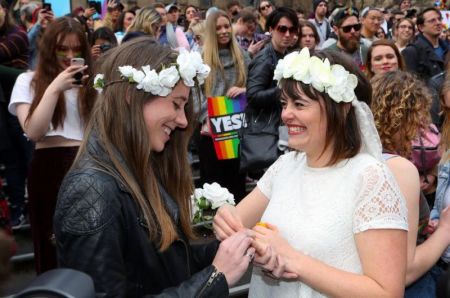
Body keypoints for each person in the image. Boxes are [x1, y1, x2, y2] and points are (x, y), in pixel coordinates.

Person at [54, 36, 254, 297]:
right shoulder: (91, 190)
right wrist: (215, 278)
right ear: (130, 96)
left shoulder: (136, 166)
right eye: (175, 104)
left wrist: (232, 250)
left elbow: (167, 259)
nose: (183, 121)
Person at [213, 48, 408, 297]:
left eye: (299, 104)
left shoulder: (370, 178)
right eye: (284, 104)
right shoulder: (285, 166)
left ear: (342, 108)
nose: (285, 114)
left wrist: (292, 259)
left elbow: (387, 292)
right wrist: (225, 219)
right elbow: (237, 223)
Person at [8, 17, 95, 274]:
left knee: (93, 244)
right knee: (50, 245)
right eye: (62, 49)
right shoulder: (28, 81)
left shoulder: (93, 84)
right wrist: (54, 88)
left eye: (76, 49)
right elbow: (33, 130)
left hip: (88, 164)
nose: (69, 56)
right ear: (49, 49)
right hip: (48, 167)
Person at [371, 71, 450, 298]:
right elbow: (404, 271)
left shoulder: (358, 157)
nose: (422, 126)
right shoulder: (399, 168)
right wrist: (445, 230)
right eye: (418, 116)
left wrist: (425, 227)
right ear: (401, 118)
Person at [199, 10, 250, 201]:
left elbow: (254, 87)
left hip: (236, 132)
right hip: (210, 134)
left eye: (226, 26)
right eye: (218, 28)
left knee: (236, 185)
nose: (223, 31)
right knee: (213, 189)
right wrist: (207, 117)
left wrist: (244, 89)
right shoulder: (201, 57)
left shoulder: (242, 56)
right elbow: (195, 95)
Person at [245, 7, 299, 174]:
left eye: (292, 30)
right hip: (268, 132)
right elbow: (252, 96)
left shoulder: (285, 54)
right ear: (271, 30)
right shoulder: (264, 58)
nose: (287, 34)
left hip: (281, 128)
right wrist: (285, 91)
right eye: (282, 29)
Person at [402, 7, 448, 82]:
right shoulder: (411, 52)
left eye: (439, 19)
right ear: (421, 27)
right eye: (432, 20)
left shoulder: (447, 47)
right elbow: (411, 84)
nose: (438, 23)